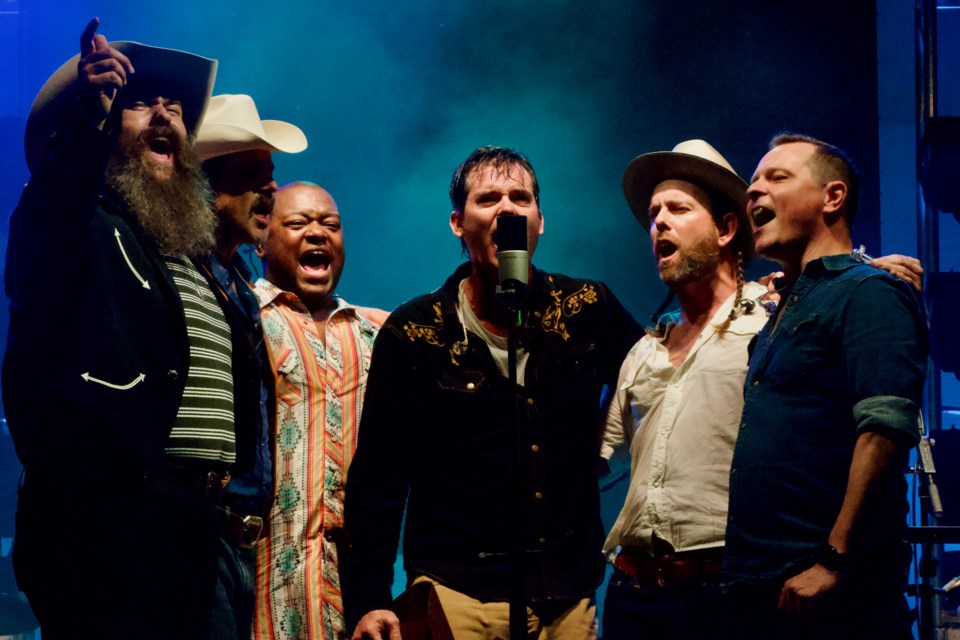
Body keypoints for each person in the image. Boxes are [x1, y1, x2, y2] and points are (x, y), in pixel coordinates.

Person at [3, 19, 255, 639]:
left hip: (200, 531)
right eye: (141, 102)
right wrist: (90, 118)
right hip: (112, 529)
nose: (165, 112)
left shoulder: (189, 253)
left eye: (173, 105)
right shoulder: (80, 225)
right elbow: (48, 221)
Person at [343, 146, 643, 640]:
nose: (506, 208)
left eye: (520, 197)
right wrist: (369, 599)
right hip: (458, 592)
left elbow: (655, 377)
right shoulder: (416, 332)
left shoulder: (587, 307)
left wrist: (604, 445)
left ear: (540, 221)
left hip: (566, 596)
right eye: (489, 199)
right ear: (458, 223)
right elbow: (379, 476)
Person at [722, 133, 929, 639]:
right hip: (763, 587)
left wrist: (835, 559)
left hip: (827, 592)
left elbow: (885, 427)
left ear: (832, 197)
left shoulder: (869, 292)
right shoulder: (786, 308)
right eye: (752, 184)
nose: (753, 193)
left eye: (776, 178)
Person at [600, 140, 769, 640]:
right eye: (654, 214)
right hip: (633, 597)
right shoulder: (645, 350)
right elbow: (604, 456)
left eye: (677, 209)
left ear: (725, 229)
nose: (659, 224)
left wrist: (872, 267)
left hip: (721, 596)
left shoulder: (772, 322)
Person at [193, 93, 308, 638]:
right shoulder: (173, 268)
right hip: (192, 532)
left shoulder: (239, 279)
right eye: (252, 173)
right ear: (205, 179)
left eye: (272, 174)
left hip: (245, 543)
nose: (271, 189)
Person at [250, 181, 386, 639]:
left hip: (357, 592)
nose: (318, 233)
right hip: (267, 588)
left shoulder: (375, 334)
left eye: (330, 225)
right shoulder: (245, 316)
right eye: (298, 223)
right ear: (262, 239)